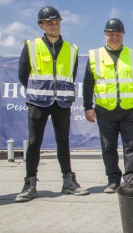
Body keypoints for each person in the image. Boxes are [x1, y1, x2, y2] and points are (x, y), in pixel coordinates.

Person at [15, 6, 88, 202]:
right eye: (49, 22)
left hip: (62, 103)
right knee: (34, 142)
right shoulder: (31, 45)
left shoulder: (72, 49)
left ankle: (68, 181)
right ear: (41, 25)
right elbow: (23, 74)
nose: (54, 25)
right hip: (38, 102)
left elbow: (71, 75)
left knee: (63, 142)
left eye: (57, 22)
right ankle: (30, 183)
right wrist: (37, 91)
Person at [83, 18, 133, 193]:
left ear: (123, 35)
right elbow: (88, 84)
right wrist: (87, 106)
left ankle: (130, 178)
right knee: (108, 146)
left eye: (118, 34)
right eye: (111, 34)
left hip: (129, 109)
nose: (115, 37)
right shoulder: (95, 55)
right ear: (105, 35)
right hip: (105, 109)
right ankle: (113, 179)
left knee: (131, 145)